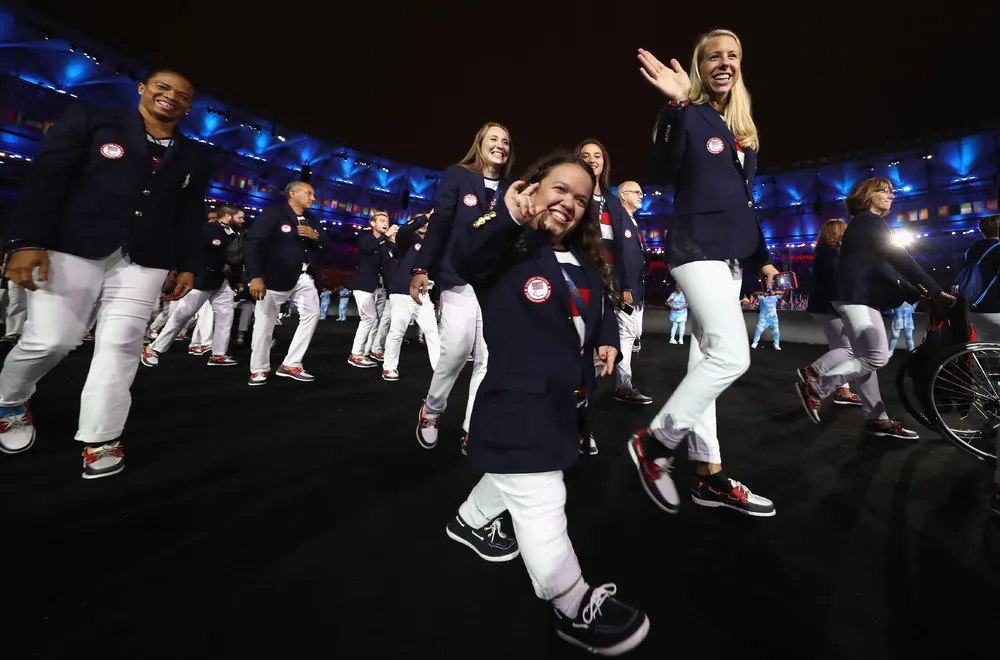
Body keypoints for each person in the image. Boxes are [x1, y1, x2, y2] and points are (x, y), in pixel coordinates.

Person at [447, 153, 648, 655]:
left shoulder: (582, 256)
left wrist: (605, 336)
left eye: (581, 198)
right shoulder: (506, 248)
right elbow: (465, 255)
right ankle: (571, 604)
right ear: (531, 188)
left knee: (513, 474)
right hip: (517, 405)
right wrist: (508, 215)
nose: (569, 204)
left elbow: (594, 302)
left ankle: (468, 521)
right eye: (559, 190)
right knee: (541, 498)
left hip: (563, 402)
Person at [0, 68, 209, 478]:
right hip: (73, 244)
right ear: (142, 89)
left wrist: (188, 264)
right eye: (162, 87)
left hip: (147, 257)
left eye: (182, 95)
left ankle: (102, 437)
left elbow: (189, 213)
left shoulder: (196, 154)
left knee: (121, 346)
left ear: (188, 107)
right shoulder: (92, 119)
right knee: (51, 340)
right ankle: (9, 400)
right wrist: (25, 242)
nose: (171, 97)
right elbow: (47, 179)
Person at [627, 30, 777, 517]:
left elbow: (746, 206)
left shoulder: (743, 138)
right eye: (714, 55)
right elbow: (661, 169)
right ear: (699, 65)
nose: (725, 62)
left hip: (731, 258)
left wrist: (763, 258)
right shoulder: (687, 114)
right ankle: (653, 444)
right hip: (697, 250)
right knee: (733, 357)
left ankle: (708, 476)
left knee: (705, 367)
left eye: (733, 54)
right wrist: (674, 107)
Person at [795, 177, 953, 437]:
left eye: (892, 192)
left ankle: (876, 418)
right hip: (856, 297)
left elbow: (883, 267)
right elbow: (899, 258)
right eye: (885, 191)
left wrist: (917, 292)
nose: (892, 196)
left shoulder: (861, 226)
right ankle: (817, 388)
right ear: (868, 196)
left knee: (864, 358)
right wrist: (934, 290)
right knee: (876, 357)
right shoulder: (870, 222)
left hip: (854, 296)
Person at [410, 122, 513, 450]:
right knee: (455, 349)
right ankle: (432, 408)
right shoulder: (458, 175)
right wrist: (420, 267)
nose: (500, 145)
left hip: (496, 284)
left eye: (506, 142)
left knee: (488, 357)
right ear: (480, 143)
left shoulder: (512, 188)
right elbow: (440, 222)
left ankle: (473, 424)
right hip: (459, 278)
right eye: (494, 139)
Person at [243, 181, 335, 386]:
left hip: (304, 276)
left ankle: (291, 363)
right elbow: (252, 244)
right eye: (309, 193)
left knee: (312, 314)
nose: (313, 198)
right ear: (292, 194)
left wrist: (315, 236)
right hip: (273, 277)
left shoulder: (313, 219)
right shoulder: (273, 214)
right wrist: (254, 275)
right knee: (265, 323)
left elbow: (328, 247)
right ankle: (258, 368)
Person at [804, 219, 860, 406]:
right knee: (849, 350)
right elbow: (840, 281)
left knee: (839, 349)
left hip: (823, 307)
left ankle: (843, 390)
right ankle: (813, 372)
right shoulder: (832, 254)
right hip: (830, 307)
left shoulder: (823, 253)